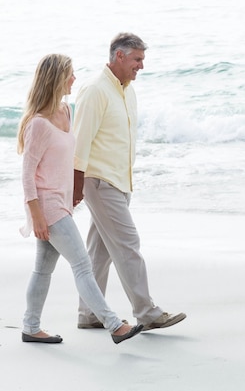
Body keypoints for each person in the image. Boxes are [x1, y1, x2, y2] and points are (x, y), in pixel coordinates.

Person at [17, 53, 144, 345]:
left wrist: (73, 193)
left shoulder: (65, 110)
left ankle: (30, 326)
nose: (74, 79)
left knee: (42, 270)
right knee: (83, 266)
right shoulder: (37, 124)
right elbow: (27, 175)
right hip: (47, 208)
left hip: (61, 205)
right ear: (56, 78)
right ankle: (114, 325)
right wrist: (35, 214)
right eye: (70, 74)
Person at [72, 33, 186, 331]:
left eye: (143, 60)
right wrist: (74, 186)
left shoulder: (126, 90)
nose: (141, 67)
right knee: (128, 244)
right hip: (100, 181)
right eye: (137, 60)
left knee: (101, 251)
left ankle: (89, 313)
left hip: (121, 182)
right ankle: (146, 311)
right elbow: (79, 141)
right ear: (119, 57)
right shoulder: (96, 90)